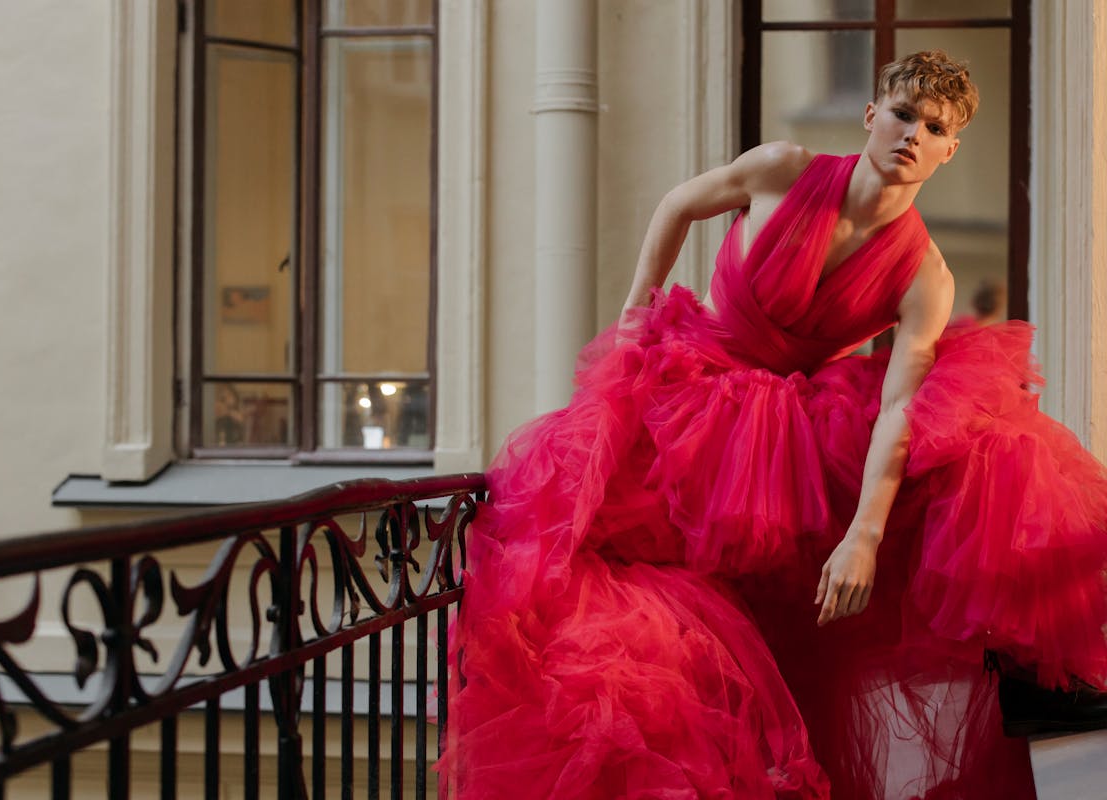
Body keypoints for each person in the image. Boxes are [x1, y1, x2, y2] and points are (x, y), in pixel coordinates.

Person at [440, 50, 1107, 799]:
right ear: (870, 115)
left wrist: (864, 534)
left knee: (994, 450)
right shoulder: (785, 168)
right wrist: (635, 314)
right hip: (688, 392)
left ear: (950, 150)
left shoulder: (927, 276)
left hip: (789, 432)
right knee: (597, 567)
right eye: (901, 114)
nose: (912, 134)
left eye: (934, 127)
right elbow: (677, 206)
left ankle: (750, 764)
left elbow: (899, 408)